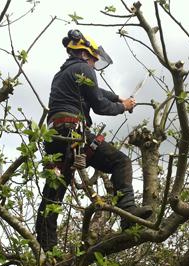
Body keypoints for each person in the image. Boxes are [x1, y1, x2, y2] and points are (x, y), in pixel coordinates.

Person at [35, 29, 152, 252]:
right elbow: (99, 105)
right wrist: (123, 107)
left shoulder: (64, 73)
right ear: (85, 54)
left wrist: (117, 96)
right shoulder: (83, 68)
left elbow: (96, 91)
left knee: (54, 193)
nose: (94, 64)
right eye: (93, 59)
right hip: (73, 131)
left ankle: (45, 249)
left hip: (55, 136)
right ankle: (127, 212)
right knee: (121, 162)